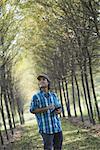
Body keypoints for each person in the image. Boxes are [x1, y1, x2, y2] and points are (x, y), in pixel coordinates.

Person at [30, 73, 63, 150]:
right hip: (45, 128)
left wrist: (58, 111)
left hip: (57, 127)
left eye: (43, 79)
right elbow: (32, 110)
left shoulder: (54, 95)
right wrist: (47, 108)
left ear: (48, 82)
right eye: (39, 80)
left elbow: (59, 107)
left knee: (58, 147)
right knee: (48, 148)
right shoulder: (36, 97)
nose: (41, 81)